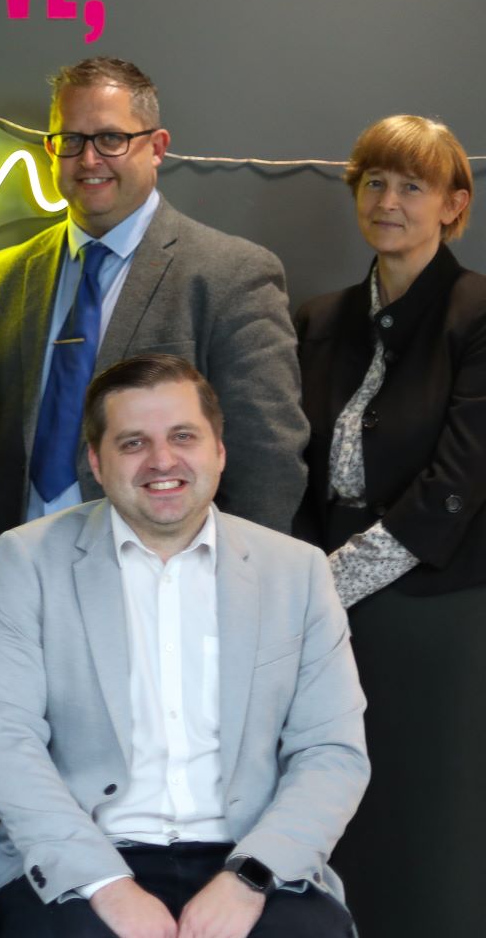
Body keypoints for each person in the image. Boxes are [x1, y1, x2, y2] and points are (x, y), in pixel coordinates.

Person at [0, 354, 367, 938]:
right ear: (97, 464)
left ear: (219, 452)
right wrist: (108, 885)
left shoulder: (296, 571)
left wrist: (250, 877)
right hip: (83, 854)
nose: (162, 461)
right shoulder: (27, 560)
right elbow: (1, 739)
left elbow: (332, 752)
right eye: (133, 443)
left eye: (184, 437)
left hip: (251, 858)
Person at [0, 57, 306, 554]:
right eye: (72, 141)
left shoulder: (231, 275)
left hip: (163, 583)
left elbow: (268, 462)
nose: (88, 160)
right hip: (13, 580)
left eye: (111, 139)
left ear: (157, 147)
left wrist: (233, 587)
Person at [291, 115, 486, 936]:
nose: (389, 200)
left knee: (426, 834)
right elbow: (293, 470)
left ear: (453, 205)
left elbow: (458, 482)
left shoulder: (479, 312)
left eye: (413, 185)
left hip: (435, 616)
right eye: (374, 181)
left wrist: (321, 586)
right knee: (328, 826)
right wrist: (297, 585)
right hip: (319, 618)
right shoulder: (317, 318)